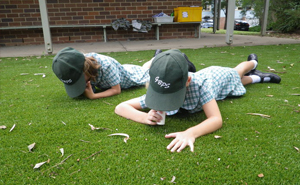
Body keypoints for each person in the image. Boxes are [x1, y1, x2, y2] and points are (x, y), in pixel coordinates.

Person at [114, 49, 281, 153]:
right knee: (237, 85)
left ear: (187, 81)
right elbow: (121, 107)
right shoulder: (159, 87)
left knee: (237, 73)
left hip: (217, 77)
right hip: (217, 87)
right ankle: (260, 78)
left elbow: (216, 119)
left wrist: (190, 133)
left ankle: (253, 62)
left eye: (170, 95)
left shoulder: (200, 86)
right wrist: (145, 118)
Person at [52, 47, 197, 99]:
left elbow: (116, 90)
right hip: (124, 69)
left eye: (79, 80)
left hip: (131, 77)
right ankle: (156, 57)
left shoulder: (106, 65)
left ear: (86, 69)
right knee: (143, 68)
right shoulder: (82, 65)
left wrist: (94, 96)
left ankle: (170, 59)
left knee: (151, 73)